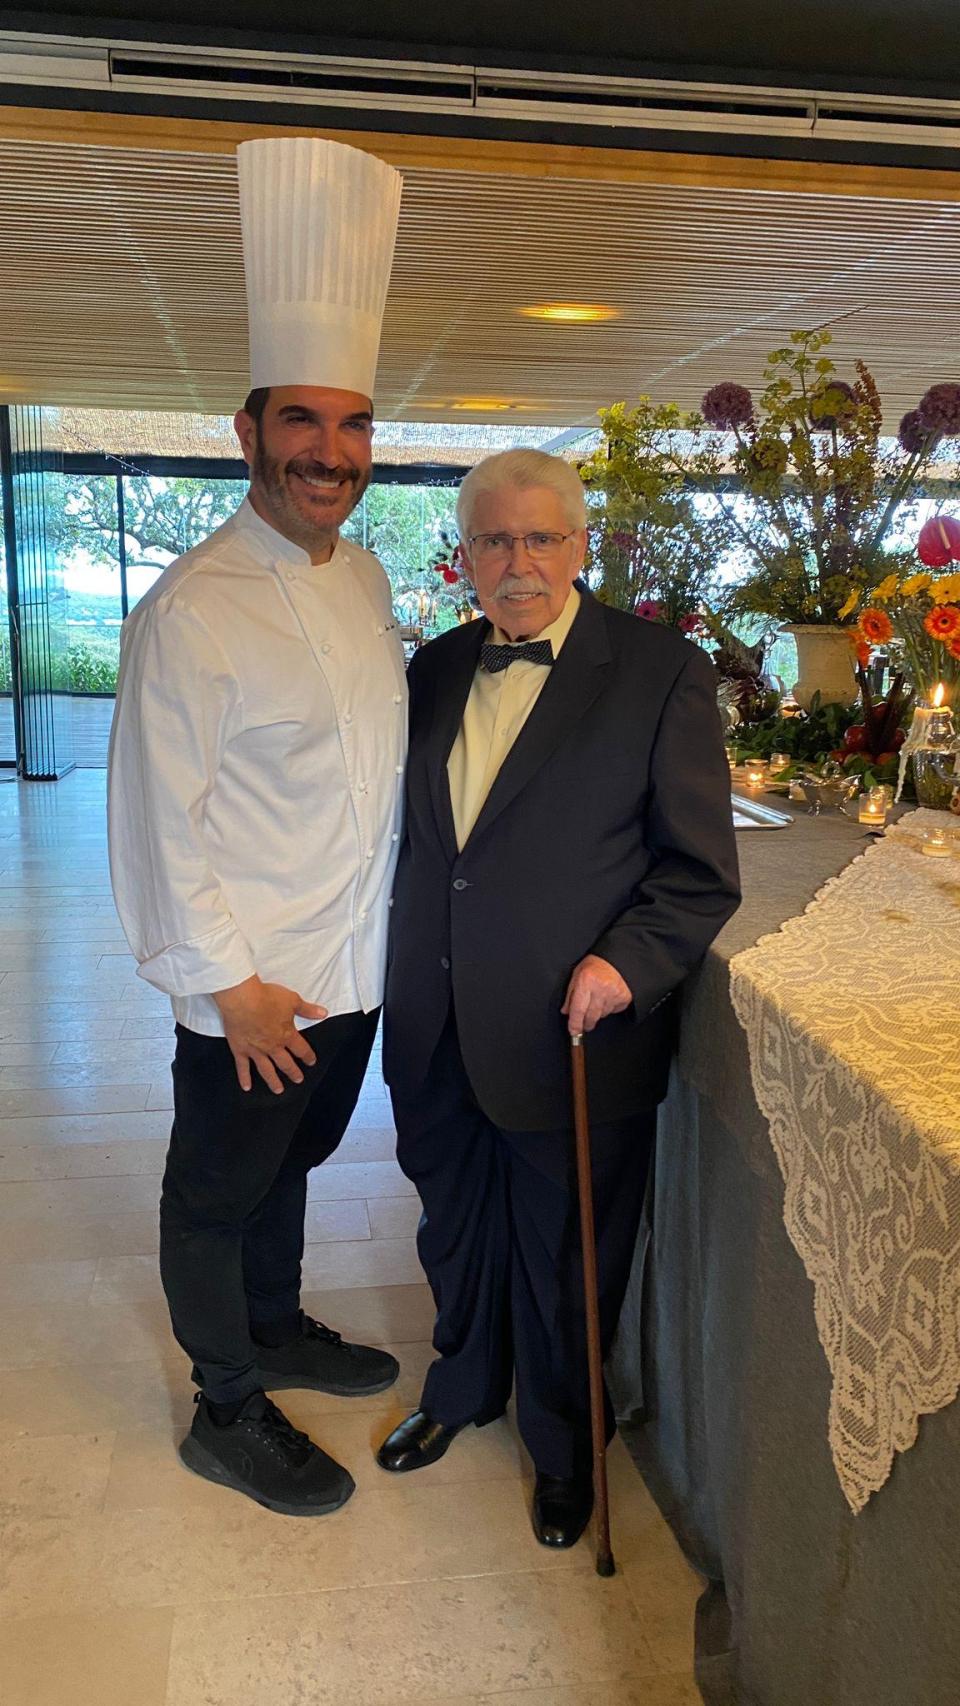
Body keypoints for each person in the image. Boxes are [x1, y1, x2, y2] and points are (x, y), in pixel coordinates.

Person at [108, 137, 405, 1518]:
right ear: (246, 431)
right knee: (213, 1197)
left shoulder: (371, 577)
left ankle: (276, 1325)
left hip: (350, 974)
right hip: (254, 988)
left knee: (293, 1167)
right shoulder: (194, 608)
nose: (329, 454)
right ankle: (223, 1405)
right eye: (302, 423)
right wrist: (223, 987)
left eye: (350, 426)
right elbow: (154, 824)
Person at [377, 448, 740, 1548]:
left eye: (541, 537)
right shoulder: (432, 669)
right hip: (436, 1015)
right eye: (494, 538)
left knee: (571, 1254)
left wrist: (626, 963)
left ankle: (564, 1442)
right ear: (466, 555)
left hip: (571, 1030)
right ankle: (462, 1386)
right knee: (454, 1222)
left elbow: (698, 870)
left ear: (583, 545)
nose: (518, 561)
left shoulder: (662, 670)